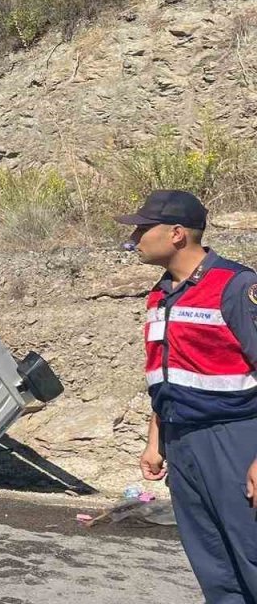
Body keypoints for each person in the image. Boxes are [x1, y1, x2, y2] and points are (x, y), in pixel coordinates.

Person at [118, 190, 257, 603]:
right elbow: (167, 374)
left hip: (234, 438)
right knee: (213, 561)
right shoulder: (160, 293)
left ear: (176, 233)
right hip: (182, 442)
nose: (134, 239)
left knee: (251, 551)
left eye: (143, 229)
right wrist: (155, 439)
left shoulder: (236, 286)